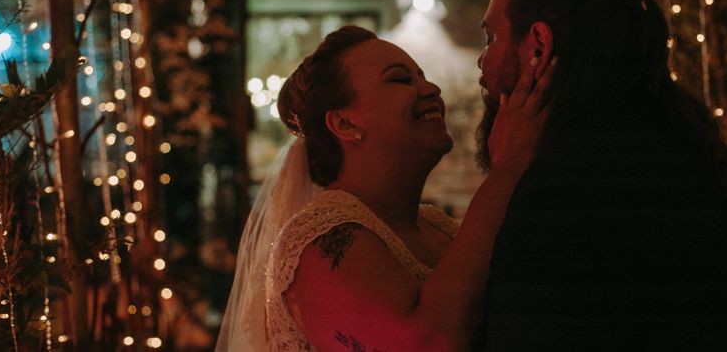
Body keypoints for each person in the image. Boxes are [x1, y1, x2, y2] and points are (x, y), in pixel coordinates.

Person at [475, 0, 727, 351]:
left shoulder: (561, 192)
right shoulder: (688, 150)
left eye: (491, 37)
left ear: (538, 45)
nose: (482, 61)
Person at [217, 25, 555, 351]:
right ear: (345, 123)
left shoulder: (437, 226)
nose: (431, 89)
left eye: (422, 76)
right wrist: (505, 170)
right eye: (401, 79)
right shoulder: (318, 240)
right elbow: (429, 344)